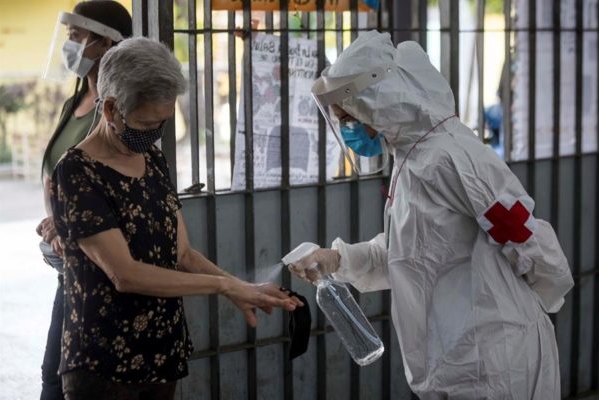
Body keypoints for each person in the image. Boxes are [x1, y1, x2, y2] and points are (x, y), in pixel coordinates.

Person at [288, 30, 574, 399]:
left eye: (350, 116)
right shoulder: (412, 156)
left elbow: (523, 236)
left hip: (495, 358)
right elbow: (410, 253)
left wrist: (543, 297)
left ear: (380, 102)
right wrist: (337, 259)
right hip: (456, 358)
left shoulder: (451, 156)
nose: (349, 128)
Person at [49, 37, 302, 400]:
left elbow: (182, 254)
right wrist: (223, 287)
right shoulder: (77, 172)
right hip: (105, 362)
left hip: (161, 351)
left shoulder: (152, 158)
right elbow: (125, 273)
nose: (155, 133)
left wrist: (240, 287)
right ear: (109, 109)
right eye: (146, 122)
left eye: (162, 122)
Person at [36, 3, 132, 399]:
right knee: (53, 376)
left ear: (105, 42)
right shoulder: (72, 105)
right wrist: (53, 219)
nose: (70, 45)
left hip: (102, 268)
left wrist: (68, 220)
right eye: (71, 36)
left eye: (78, 37)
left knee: (65, 381)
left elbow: (125, 187)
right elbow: (57, 174)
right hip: (69, 265)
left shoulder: (121, 111)